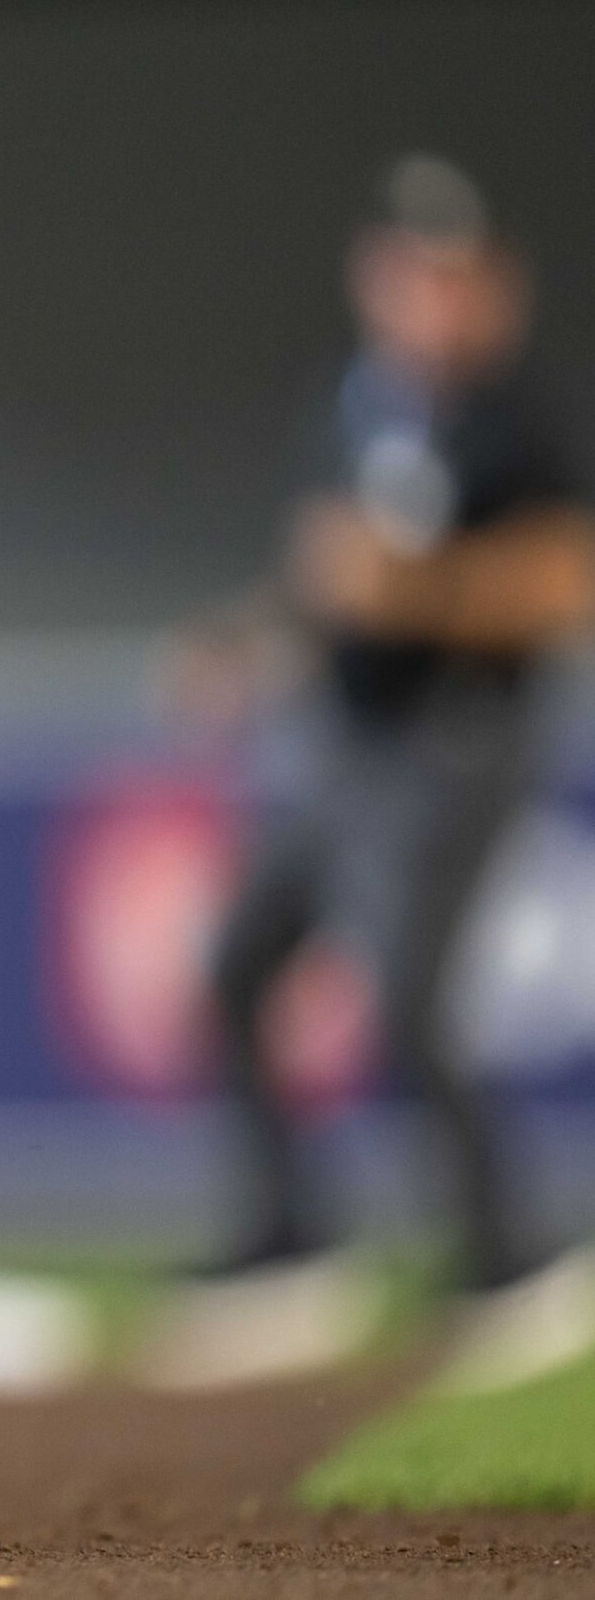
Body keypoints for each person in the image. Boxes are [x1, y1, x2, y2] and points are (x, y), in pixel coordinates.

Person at [141, 155, 595, 1395]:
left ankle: (514, 1264)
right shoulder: (356, 406)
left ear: (495, 290)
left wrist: (416, 591)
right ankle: (293, 1248)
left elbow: (564, 586)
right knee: (239, 965)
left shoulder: (516, 417)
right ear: (371, 281)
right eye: (407, 273)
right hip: (342, 746)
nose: (428, 301)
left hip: (458, 743)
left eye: (452, 277)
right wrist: (239, 645)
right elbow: (319, 579)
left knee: (407, 1003)